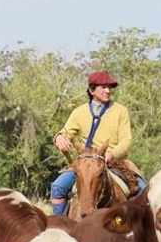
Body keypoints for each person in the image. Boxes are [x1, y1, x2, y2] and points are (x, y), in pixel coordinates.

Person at [50, 71, 146, 216]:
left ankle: (145, 235)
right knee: (58, 187)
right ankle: (60, 227)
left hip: (114, 162)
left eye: (109, 88)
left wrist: (112, 153)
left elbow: (126, 140)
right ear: (91, 90)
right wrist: (60, 138)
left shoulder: (120, 111)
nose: (108, 91)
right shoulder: (79, 112)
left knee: (145, 193)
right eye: (103, 87)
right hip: (86, 163)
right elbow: (66, 132)